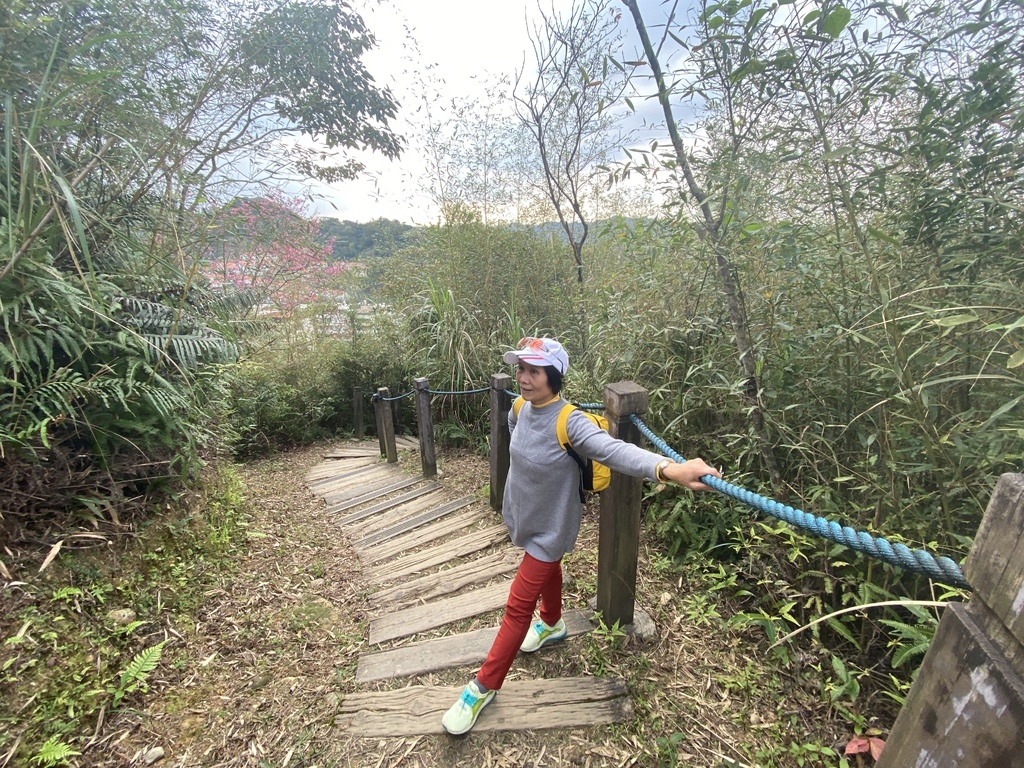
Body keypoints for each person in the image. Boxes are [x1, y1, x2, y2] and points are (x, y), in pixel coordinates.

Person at [441, 337, 723, 735]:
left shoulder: (569, 421)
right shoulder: (521, 407)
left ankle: (482, 686)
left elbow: (616, 451)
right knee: (547, 570)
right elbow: (513, 430)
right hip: (525, 515)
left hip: (553, 525)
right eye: (520, 369)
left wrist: (670, 469)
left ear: (554, 377)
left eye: (533, 371)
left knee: (517, 607)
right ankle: (553, 622)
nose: (522, 378)